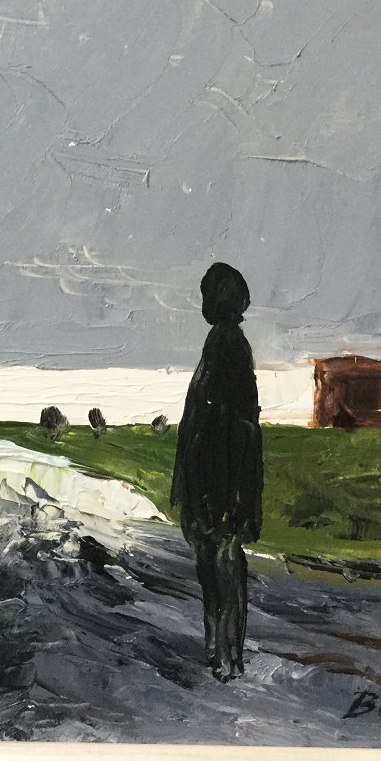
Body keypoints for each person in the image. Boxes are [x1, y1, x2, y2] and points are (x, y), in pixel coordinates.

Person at [171, 262, 263, 681]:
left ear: (221, 298)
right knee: (214, 569)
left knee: (223, 570)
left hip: (220, 487)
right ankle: (218, 651)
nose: (203, 303)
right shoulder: (220, 344)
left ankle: (227, 657)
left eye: (208, 294)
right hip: (211, 485)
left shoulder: (230, 347)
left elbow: (236, 429)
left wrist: (231, 497)